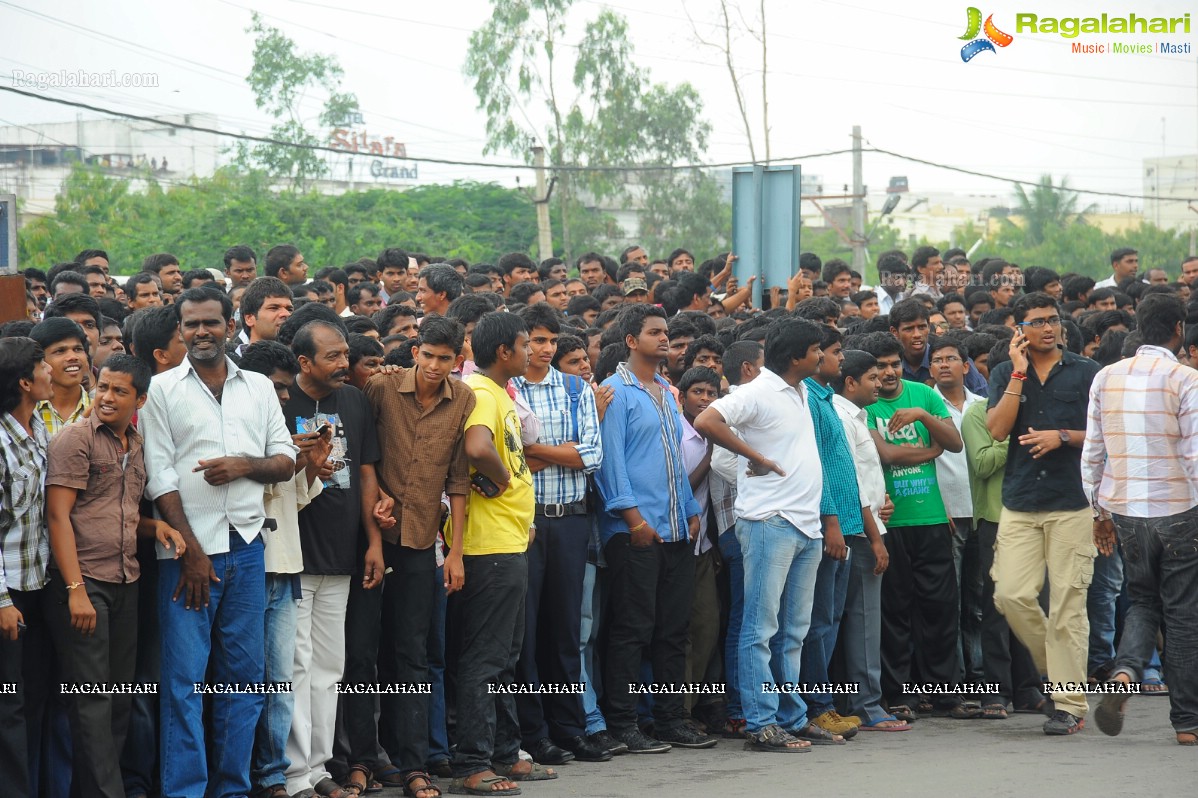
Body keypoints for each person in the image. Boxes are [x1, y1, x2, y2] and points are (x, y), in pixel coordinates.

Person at [139, 288, 297, 795]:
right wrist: (191, 552)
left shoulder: (258, 387)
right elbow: (158, 477)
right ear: (181, 331)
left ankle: (232, 787)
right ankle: (185, 789)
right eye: (191, 325)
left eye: (211, 322)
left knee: (243, 682)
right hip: (186, 555)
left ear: (231, 326)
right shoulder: (162, 390)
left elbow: (286, 458)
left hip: (248, 547)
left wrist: (243, 466)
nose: (201, 332)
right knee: (184, 684)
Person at [44, 355, 186, 798]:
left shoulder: (137, 444)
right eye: (102, 387)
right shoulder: (75, 439)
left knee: (120, 699)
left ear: (139, 399)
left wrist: (156, 526)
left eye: (119, 391)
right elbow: (57, 516)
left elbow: (116, 513)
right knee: (91, 701)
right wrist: (75, 590)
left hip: (127, 579)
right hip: (84, 583)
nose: (106, 397)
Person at [694, 317, 831, 751]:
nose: (823, 356)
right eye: (816, 349)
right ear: (795, 357)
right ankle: (761, 723)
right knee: (760, 628)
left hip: (805, 524)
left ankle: (790, 716)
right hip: (770, 521)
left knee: (793, 631)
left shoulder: (801, 389)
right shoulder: (757, 391)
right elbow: (707, 420)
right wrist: (754, 456)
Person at [363, 316, 476, 798]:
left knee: (411, 654)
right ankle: (365, 759)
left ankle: (413, 766)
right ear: (414, 352)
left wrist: (455, 553)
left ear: (458, 361)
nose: (433, 366)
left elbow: (458, 481)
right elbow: (363, 458)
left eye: (444, 359)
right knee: (362, 654)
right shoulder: (379, 389)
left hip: (420, 543)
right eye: (427, 355)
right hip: (371, 538)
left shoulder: (464, 399)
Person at [1081, 293, 1198, 746]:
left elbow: (1094, 452)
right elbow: (1193, 455)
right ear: (1178, 330)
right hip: (1179, 510)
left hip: (1126, 510)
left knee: (1144, 600)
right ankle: (1187, 723)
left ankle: (1126, 671)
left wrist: (1098, 510)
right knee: (1184, 613)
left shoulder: (1106, 377)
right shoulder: (1185, 378)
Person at [279, 321, 387, 798]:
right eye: (333, 356)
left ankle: (319, 769)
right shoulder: (280, 402)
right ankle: (291, 774)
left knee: (328, 668)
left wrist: (373, 544)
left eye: (346, 354)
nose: (345, 363)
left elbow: (366, 473)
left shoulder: (355, 401)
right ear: (304, 363)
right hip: (295, 554)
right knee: (297, 667)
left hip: (343, 554)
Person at [595, 304, 710, 753]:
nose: (665, 339)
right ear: (630, 340)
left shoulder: (666, 388)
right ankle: (623, 723)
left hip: (677, 527)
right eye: (655, 333)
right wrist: (633, 519)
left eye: (666, 333)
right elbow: (611, 462)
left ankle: (669, 719)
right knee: (631, 630)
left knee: (672, 629)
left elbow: (674, 458)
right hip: (635, 530)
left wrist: (688, 506)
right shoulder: (614, 391)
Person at [986, 291, 1101, 735]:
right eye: (1037, 322)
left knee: (1069, 605)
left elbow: (1104, 432)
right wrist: (1016, 372)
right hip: (1019, 502)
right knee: (1010, 595)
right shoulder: (1003, 372)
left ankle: (1069, 704)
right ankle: (1062, 673)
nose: (1049, 328)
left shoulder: (1086, 371)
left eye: (1053, 320)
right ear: (1020, 330)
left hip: (1072, 502)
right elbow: (997, 429)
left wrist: (1063, 437)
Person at [857, 331, 972, 721]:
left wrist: (924, 415)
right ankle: (901, 695)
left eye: (894, 365)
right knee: (895, 613)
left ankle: (945, 695)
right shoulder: (865, 404)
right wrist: (928, 450)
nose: (888, 373)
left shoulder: (923, 394)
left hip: (932, 518)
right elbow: (885, 455)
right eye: (881, 367)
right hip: (890, 524)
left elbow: (954, 443)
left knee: (940, 611)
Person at [511, 306, 608, 764]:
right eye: (537, 340)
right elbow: (510, 460)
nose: (546, 349)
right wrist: (557, 453)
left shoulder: (574, 389)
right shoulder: (508, 390)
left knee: (566, 629)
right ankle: (534, 733)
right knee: (527, 635)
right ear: (519, 342)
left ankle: (570, 727)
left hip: (570, 520)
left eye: (552, 341)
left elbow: (591, 453)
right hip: (524, 523)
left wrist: (536, 451)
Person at [453, 312, 542, 794]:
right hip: (488, 549)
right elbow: (476, 446)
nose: (531, 352)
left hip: (507, 541)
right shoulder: (484, 394)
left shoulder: (498, 394)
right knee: (485, 658)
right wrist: (506, 481)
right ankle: (473, 762)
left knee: (506, 657)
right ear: (504, 351)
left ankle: (506, 753)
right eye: (526, 344)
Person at [962, 342, 1044, 719]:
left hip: (1036, 516)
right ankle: (996, 693)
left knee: (1030, 605)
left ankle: (1029, 690)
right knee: (995, 609)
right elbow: (981, 463)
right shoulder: (978, 414)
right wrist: (1014, 435)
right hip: (996, 521)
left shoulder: (1041, 411)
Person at [830, 350, 903, 730]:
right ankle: (868, 705)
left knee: (856, 620)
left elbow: (868, 479)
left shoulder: (858, 416)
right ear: (851, 382)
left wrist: (882, 503)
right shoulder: (843, 418)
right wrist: (875, 536)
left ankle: (859, 700)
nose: (881, 382)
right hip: (857, 533)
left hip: (865, 524)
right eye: (873, 377)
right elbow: (851, 484)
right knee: (863, 621)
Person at [0, 336, 54, 796]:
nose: (52, 371)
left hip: (39, 587)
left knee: (36, 700)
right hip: (8, 594)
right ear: (23, 381)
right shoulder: (0, 440)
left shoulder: (39, 430)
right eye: (43, 365)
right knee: (9, 706)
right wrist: (1, 602)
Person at [30, 318, 92, 437]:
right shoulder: (29, 413)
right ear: (40, 361)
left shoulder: (100, 410)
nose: (72, 357)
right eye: (60, 351)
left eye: (78, 349)